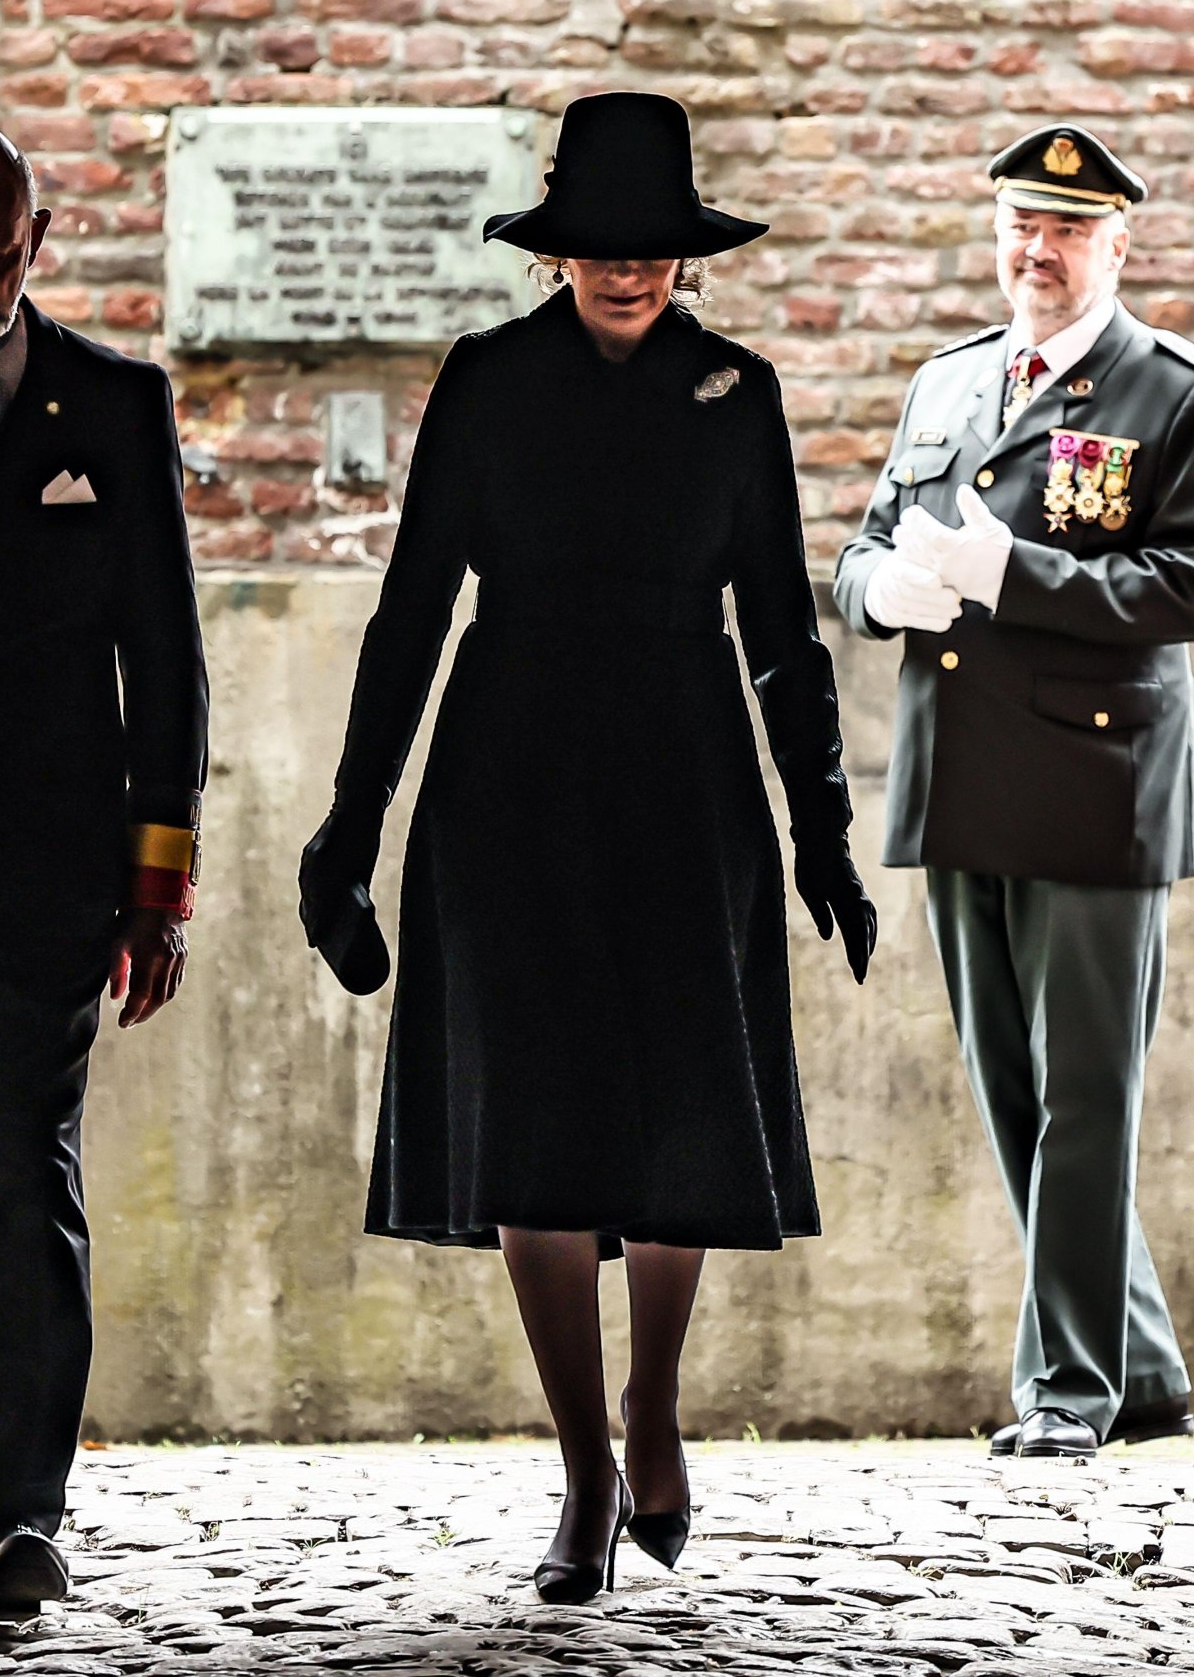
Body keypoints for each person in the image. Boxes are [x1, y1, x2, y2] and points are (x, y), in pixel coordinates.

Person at [301, 91, 876, 1599]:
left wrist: (824, 836)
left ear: (687, 253)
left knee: (683, 1105)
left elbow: (782, 629)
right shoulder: (486, 384)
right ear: (558, 247)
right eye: (602, 249)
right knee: (536, 1123)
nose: (630, 273)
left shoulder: (736, 391)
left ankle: (657, 1406)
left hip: (691, 777)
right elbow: (412, 607)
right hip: (512, 782)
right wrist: (348, 829)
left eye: (655, 251)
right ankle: (580, 1467)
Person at [835, 123, 1193, 1459]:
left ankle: (1071, 1391)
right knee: (1009, 1087)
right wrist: (878, 592)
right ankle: (1141, 1366)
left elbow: (1184, 585)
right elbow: (865, 546)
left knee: (1085, 1090)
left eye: (1065, 230)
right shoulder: (948, 384)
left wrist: (1011, 579)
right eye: (1017, 228)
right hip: (959, 765)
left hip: (1099, 779)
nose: (1034, 252)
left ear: (1118, 245)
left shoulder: (1168, 392)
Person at [0, 129, 208, 1606]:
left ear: (40, 238)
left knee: (20, 1172)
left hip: (48, 870)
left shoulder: (114, 407)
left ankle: (22, 1509)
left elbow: (170, 663)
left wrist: (157, 887)